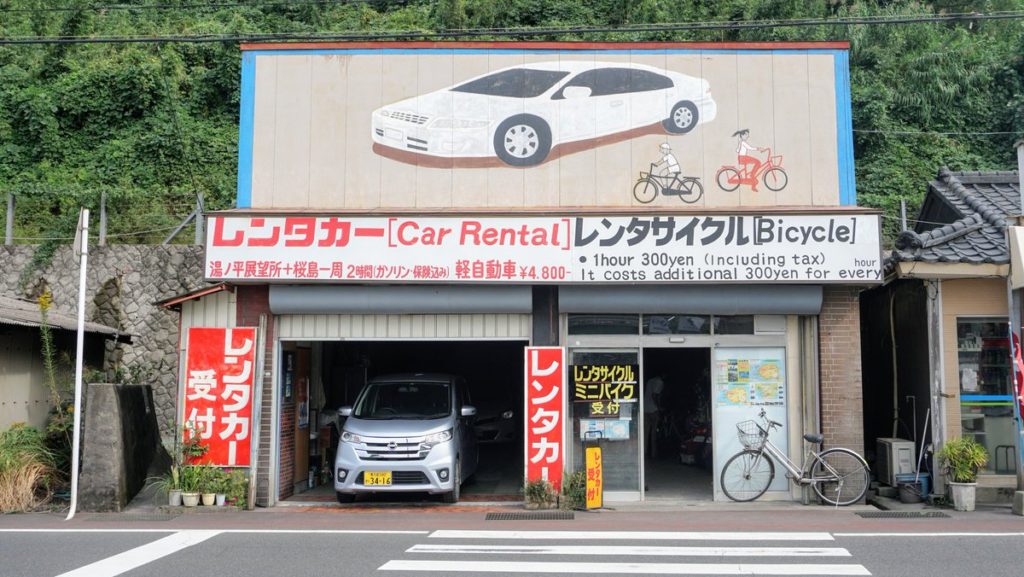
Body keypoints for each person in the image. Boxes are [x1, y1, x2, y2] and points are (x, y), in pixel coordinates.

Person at [643, 374, 665, 458]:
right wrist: (659, 407)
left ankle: (644, 452)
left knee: (646, 432)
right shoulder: (659, 382)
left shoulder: (650, 381)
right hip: (654, 410)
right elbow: (654, 395)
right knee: (654, 433)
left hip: (645, 409)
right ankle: (653, 454)